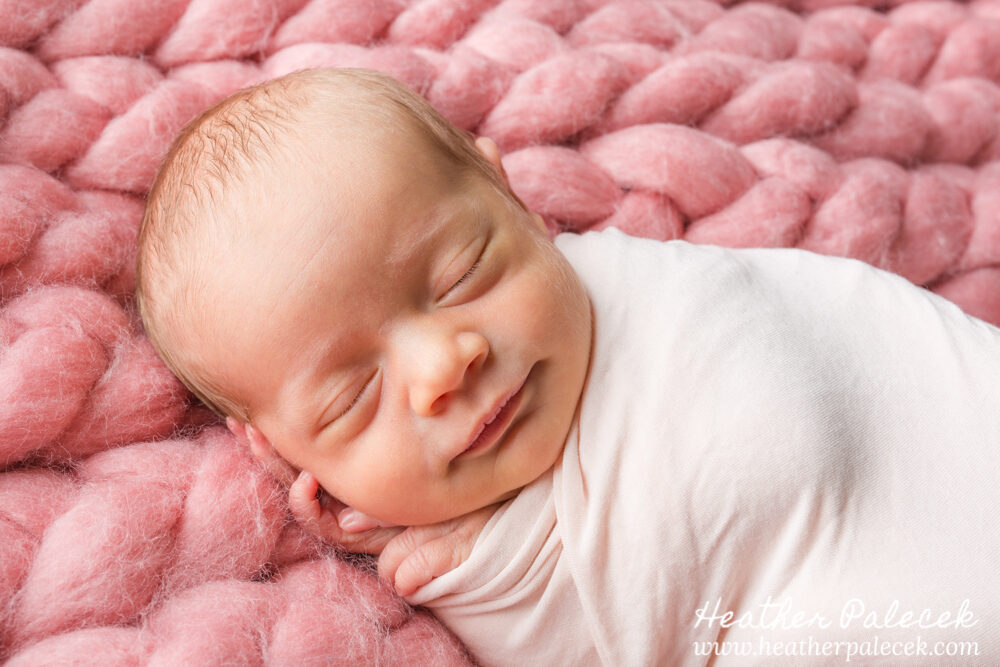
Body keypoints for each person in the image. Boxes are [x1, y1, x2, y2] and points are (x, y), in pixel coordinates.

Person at [137, 68, 1000, 665]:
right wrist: (487, 566)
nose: (444, 364)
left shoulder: (662, 305)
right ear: (285, 456)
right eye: (354, 398)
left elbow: (772, 448)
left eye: (462, 274)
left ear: (509, 195)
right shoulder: (455, 550)